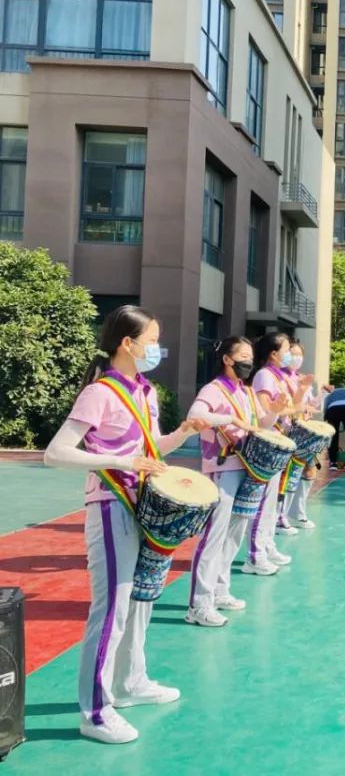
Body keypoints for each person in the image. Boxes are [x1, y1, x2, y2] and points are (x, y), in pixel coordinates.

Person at [43, 305, 222, 744]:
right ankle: (95, 712)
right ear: (128, 343)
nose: (157, 349)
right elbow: (56, 453)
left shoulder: (146, 391)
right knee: (112, 609)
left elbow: (151, 448)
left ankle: (129, 682)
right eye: (152, 341)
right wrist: (122, 461)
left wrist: (183, 433)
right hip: (110, 505)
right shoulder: (100, 393)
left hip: (142, 504)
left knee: (141, 599)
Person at [185, 337, 284, 627]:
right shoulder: (213, 389)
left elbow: (261, 423)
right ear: (227, 359)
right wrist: (230, 419)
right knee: (215, 534)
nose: (248, 361)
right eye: (242, 356)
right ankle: (199, 604)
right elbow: (195, 415)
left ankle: (219, 590)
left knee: (235, 533)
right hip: (222, 466)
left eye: (250, 356)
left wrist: (274, 410)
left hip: (246, 466)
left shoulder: (246, 391)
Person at [247, 332, 303, 573]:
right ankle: (255, 555)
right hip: (268, 443)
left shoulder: (277, 376)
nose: (290, 354)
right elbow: (265, 410)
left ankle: (267, 545)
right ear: (273, 353)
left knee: (271, 501)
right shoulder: (264, 376)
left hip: (279, 442)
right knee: (263, 502)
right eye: (287, 349)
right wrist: (287, 410)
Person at [282, 338, 329, 532]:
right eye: (292, 354)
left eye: (299, 354)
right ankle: (281, 516)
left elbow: (311, 405)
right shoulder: (281, 379)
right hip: (289, 430)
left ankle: (298, 513)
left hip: (305, 432)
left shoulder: (304, 379)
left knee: (310, 470)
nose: (296, 358)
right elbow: (291, 406)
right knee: (290, 473)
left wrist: (323, 394)